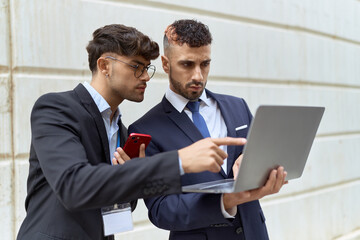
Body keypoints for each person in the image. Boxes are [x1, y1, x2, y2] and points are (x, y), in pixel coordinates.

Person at [16, 24, 247, 240]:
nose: (146, 76)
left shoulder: (124, 132)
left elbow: (122, 205)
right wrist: (179, 161)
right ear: (104, 66)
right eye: (136, 66)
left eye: (147, 68)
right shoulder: (56, 108)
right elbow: (74, 186)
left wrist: (133, 175)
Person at [125, 19, 288, 239]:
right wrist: (226, 200)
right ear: (165, 64)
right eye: (187, 64)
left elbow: (261, 159)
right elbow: (161, 210)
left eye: (205, 64)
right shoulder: (146, 130)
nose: (198, 76)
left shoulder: (237, 106)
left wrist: (256, 164)